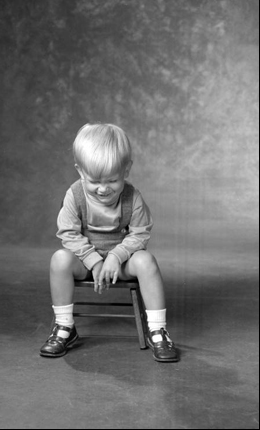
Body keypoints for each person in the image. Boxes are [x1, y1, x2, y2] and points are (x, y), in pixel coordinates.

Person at [40, 123, 179, 362]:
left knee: (147, 261)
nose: (103, 189)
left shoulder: (132, 197)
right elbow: (68, 234)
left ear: (127, 170)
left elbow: (140, 233)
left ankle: (158, 330)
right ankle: (65, 327)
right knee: (59, 259)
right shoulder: (74, 195)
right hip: (85, 260)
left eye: (112, 181)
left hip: (122, 262)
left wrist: (116, 256)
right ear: (80, 171)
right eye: (94, 181)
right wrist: (94, 262)